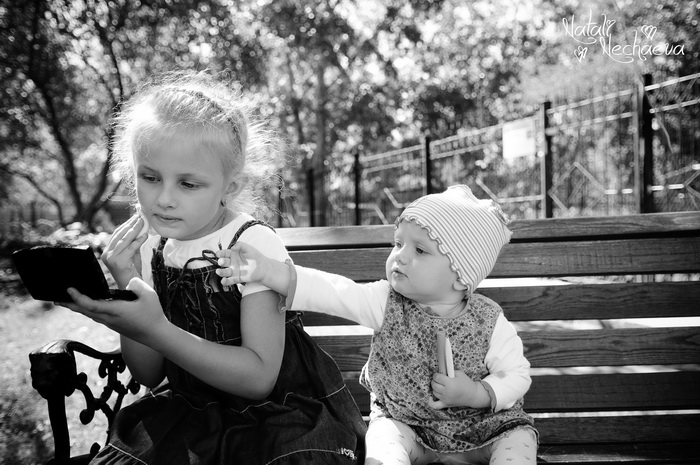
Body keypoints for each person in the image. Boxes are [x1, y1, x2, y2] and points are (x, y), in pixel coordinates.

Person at [60, 71, 366, 465]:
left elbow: (259, 380)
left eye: (188, 184)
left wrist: (158, 328)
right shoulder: (153, 248)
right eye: (150, 177)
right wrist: (128, 281)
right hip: (191, 415)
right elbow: (148, 374)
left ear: (230, 187)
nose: (164, 198)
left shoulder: (252, 245)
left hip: (277, 419)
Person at [217, 185, 538, 465]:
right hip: (410, 428)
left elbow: (517, 375)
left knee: (518, 440)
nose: (400, 256)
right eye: (398, 244)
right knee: (384, 441)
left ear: (461, 276)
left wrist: (477, 393)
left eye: (420, 250)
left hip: (484, 431)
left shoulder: (488, 320)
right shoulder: (385, 302)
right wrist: (267, 270)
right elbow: (332, 292)